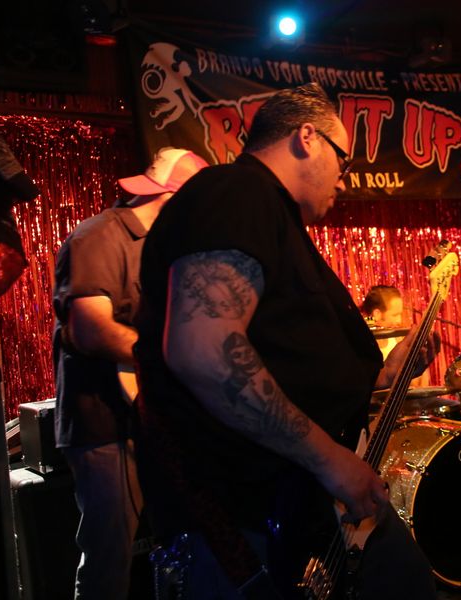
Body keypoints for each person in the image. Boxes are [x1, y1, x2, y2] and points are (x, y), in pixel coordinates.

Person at [132, 83, 436, 599]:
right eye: (343, 158)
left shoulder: (272, 216)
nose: (345, 176)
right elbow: (204, 350)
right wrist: (329, 459)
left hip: (307, 506)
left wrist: (388, 371)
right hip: (250, 515)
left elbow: (292, 362)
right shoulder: (235, 191)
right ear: (306, 137)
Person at [52, 147, 208, 599]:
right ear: (174, 198)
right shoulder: (99, 236)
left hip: (157, 421)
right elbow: (90, 329)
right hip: (104, 424)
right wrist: (170, 355)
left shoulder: (167, 250)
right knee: (110, 557)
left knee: (180, 545)